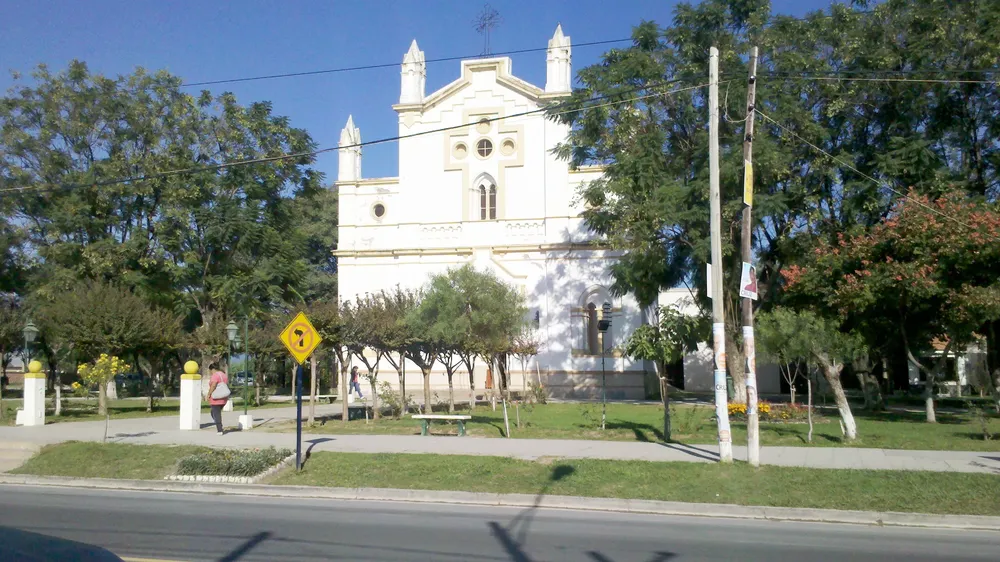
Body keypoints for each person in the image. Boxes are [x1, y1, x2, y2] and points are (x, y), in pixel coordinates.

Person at [207, 362, 230, 435]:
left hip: (216, 398)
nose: (210, 372)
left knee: (216, 414)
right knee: (214, 412)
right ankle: (218, 423)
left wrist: (209, 394)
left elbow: (213, 385)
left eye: (210, 370)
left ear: (213, 369)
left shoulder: (215, 375)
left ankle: (219, 429)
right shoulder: (224, 375)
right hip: (224, 397)